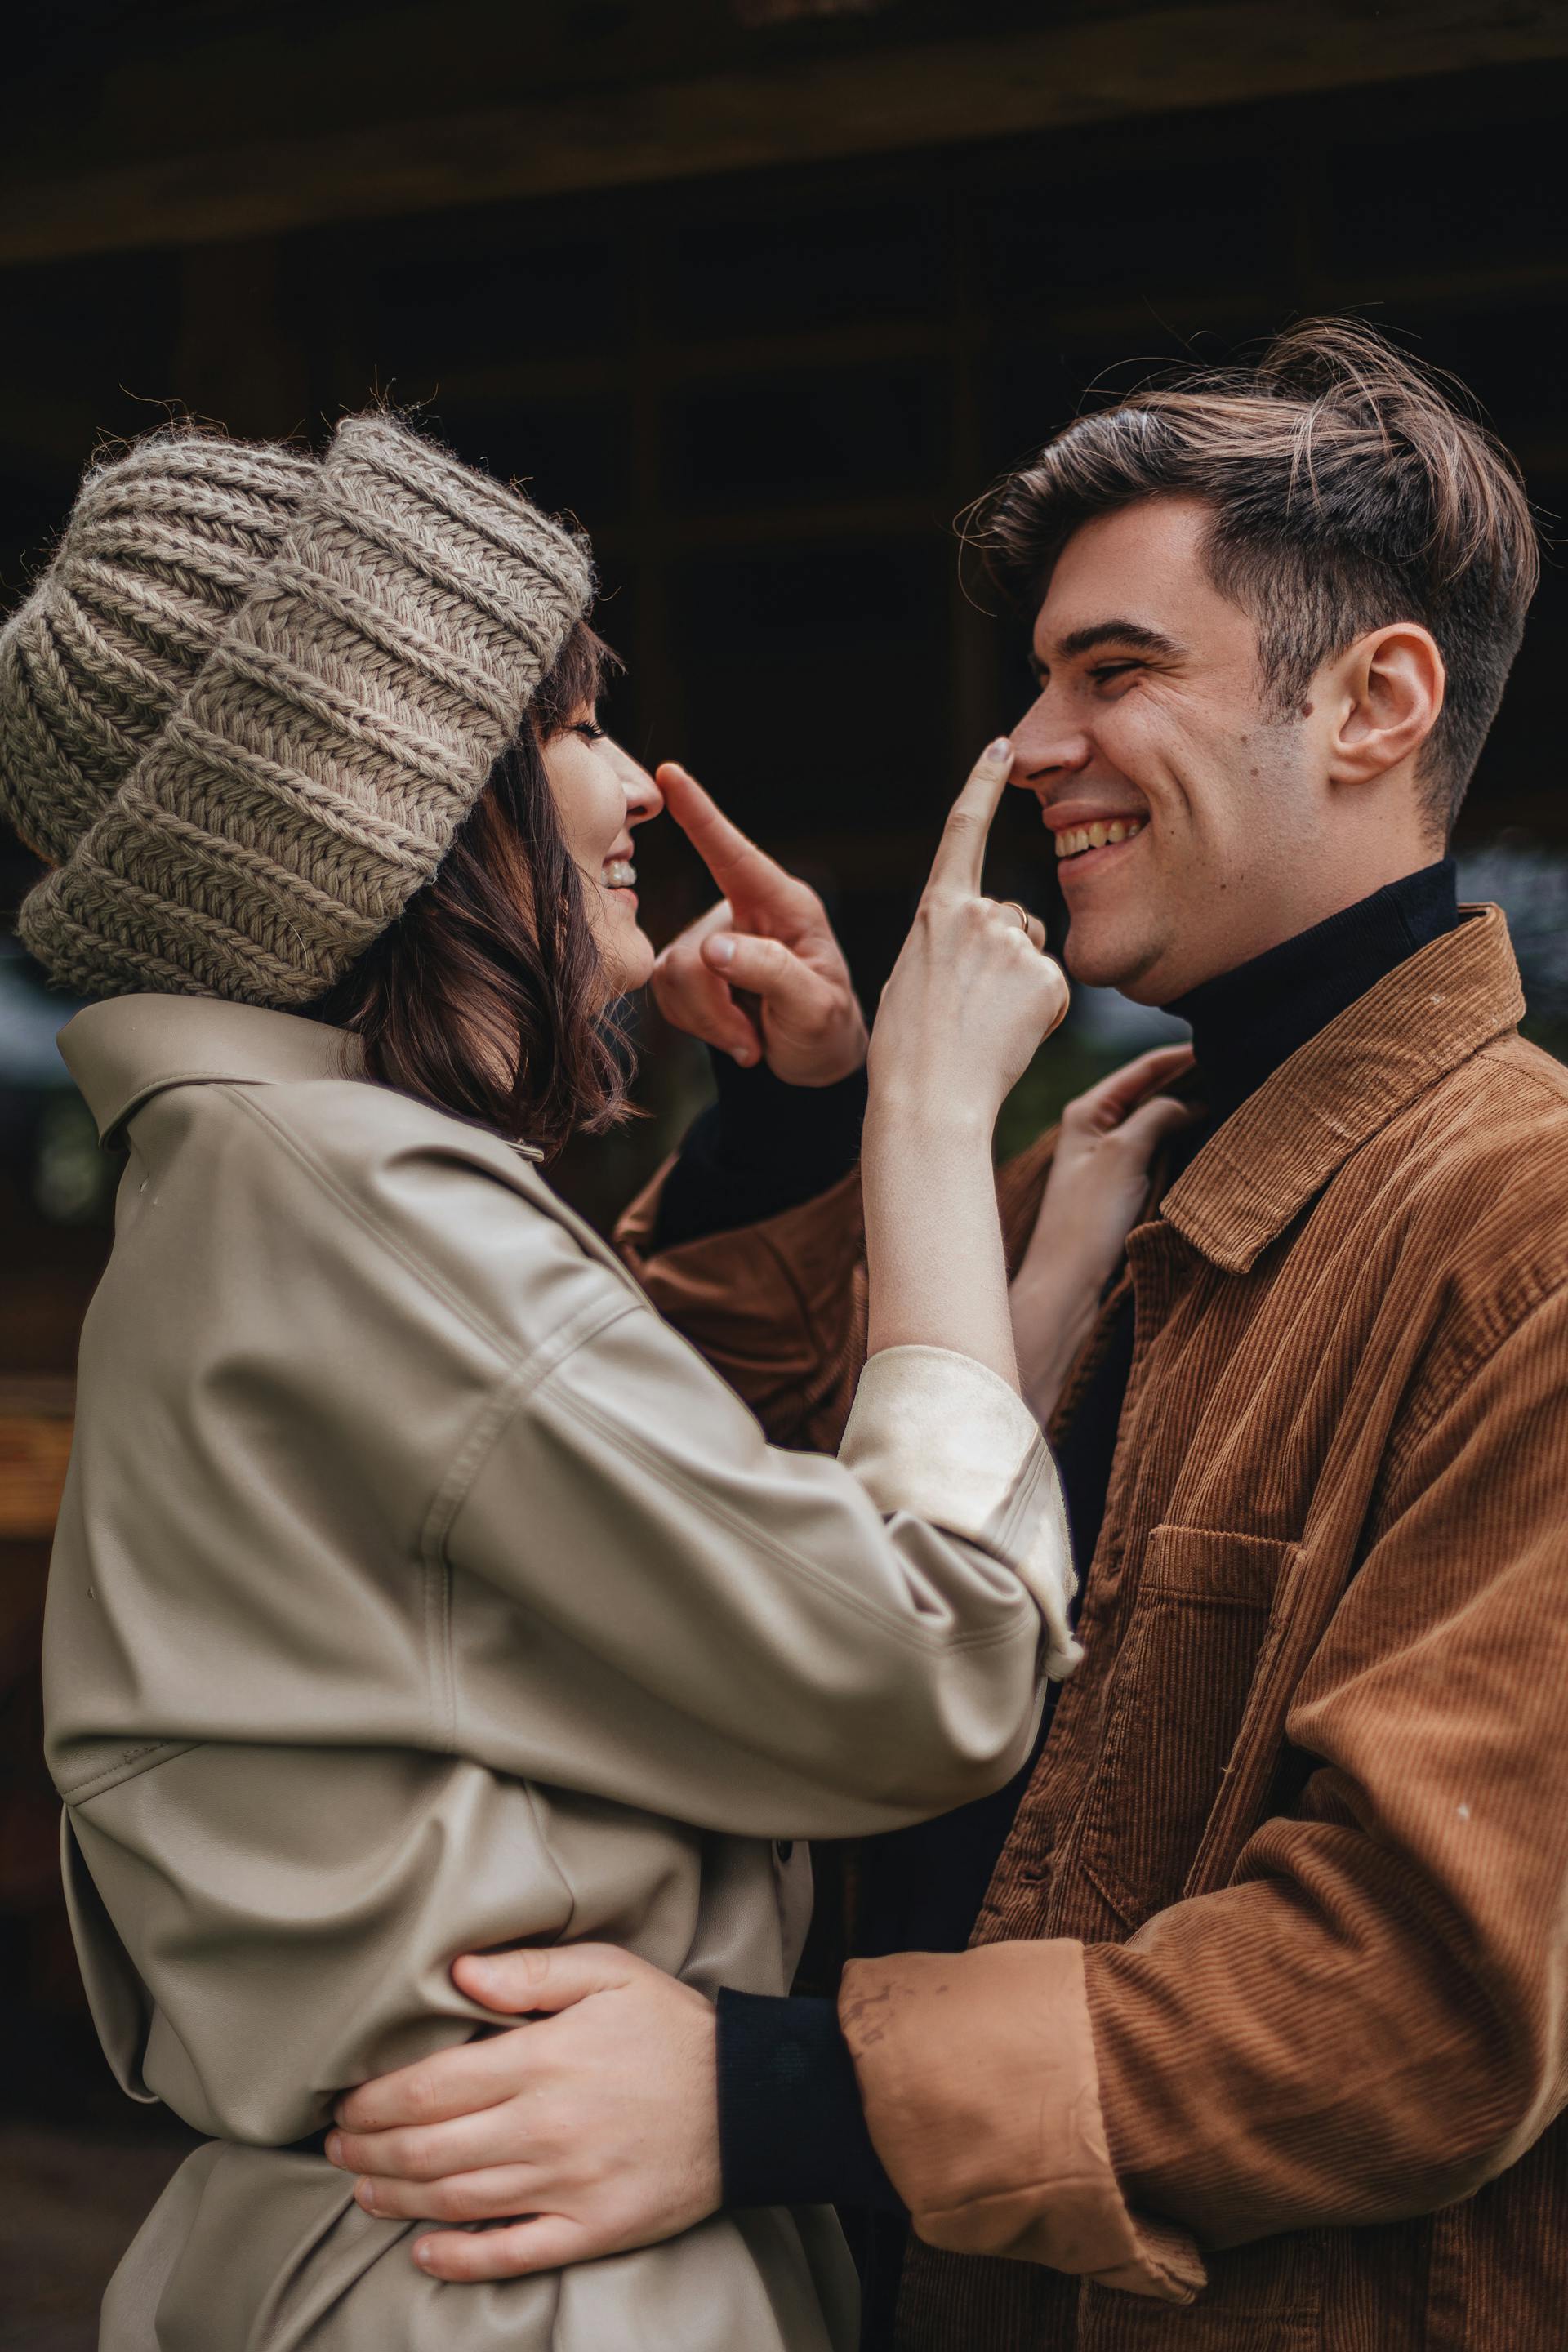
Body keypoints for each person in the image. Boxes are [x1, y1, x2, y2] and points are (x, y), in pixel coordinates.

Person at [328, 320, 1568, 2351]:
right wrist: (819, 1113)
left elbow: (1419, 2004)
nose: (1034, 745)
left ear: (1378, 700)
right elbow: (692, 1548)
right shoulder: (1125, 1161)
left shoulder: (1526, 1235)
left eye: (1117, 670)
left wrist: (767, 2095)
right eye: (1042, 677)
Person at [2, 412, 1181, 2350]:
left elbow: (635, 1550)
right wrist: (922, 1114)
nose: (632, 783)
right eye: (562, 728)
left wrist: (797, 1142)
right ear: (379, 802)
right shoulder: (353, 1202)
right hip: (525, 2277)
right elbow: (926, 1666)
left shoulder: (260, 1188)